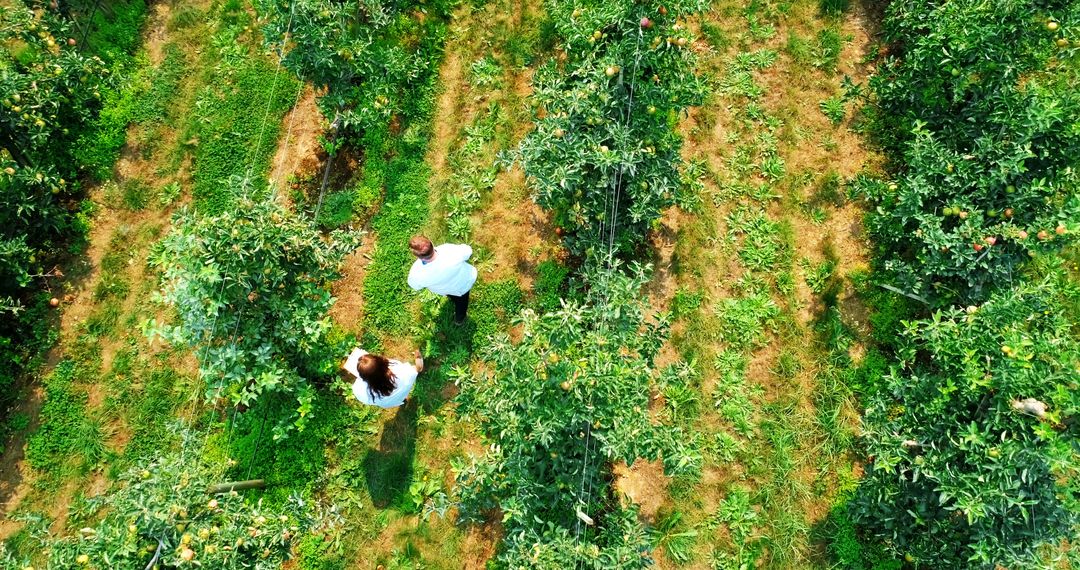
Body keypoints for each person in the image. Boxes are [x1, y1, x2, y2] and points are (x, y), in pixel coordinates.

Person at [407, 235, 477, 325]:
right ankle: (460, 319)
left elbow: (414, 285)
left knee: (454, 297)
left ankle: (456, 307)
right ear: (431, 242)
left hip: (446, 290)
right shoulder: (449, 250)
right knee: (462, 303)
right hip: (464, 282)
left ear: (417, 256)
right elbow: (468, 251)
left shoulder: (416, 273)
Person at [341, 347, 423, 408]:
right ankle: (403, 399)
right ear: (381, 361)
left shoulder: (359, 390)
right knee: (401, 395)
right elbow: (418, 369)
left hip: (390, 402)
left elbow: (368, 401)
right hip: (402, 392)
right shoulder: (399, 370)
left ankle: (402, 401)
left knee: (397, 399)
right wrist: (418, 357)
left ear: (362, 377)